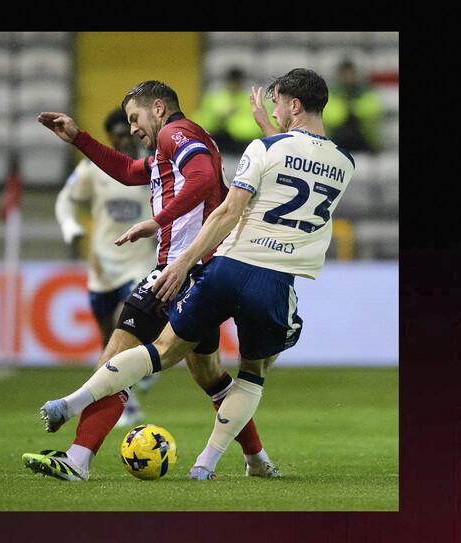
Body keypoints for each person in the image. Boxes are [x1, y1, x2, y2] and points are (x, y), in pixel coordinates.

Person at [38, 68, 353, 480]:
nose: (132, 129)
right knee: (212, 376)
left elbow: (204, 179)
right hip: (225, 269)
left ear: (158, 108)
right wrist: (79, 138)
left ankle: (78, 458)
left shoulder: (175, 133)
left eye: (135, 118)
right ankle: (256, 459)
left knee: (117, 356)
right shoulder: (181, 142)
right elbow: (131, 172)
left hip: (184, 267)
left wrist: (158, 222)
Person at [53, 108, 158, 428]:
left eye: (128, 134)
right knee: (106, 339)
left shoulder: (153, 167)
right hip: (102, 265)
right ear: (111, 138)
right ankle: (130, 397)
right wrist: (70, 226)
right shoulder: (92, 168)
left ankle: (139, 366)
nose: (124, 141)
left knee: (122, 325)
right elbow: (66, 199)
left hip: (139, 262)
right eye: (117, 136)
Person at [192, 67, 268, 158]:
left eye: (237, 82)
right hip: (220, 139)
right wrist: (219, 117)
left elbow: (257, 126)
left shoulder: (251, 100)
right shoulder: (214, 99)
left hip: (243, 142)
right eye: (232, 81)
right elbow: (201, 121)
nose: (234, 85)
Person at [321, 58, 383, 153]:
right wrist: (349, 110)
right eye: (345, 74)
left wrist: (351, 108)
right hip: (337, 139)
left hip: (362, 137)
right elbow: (330, 117)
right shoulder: (332, 93)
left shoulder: (365, 92)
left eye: (351, 74)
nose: (348, 78)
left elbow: (372, 112)